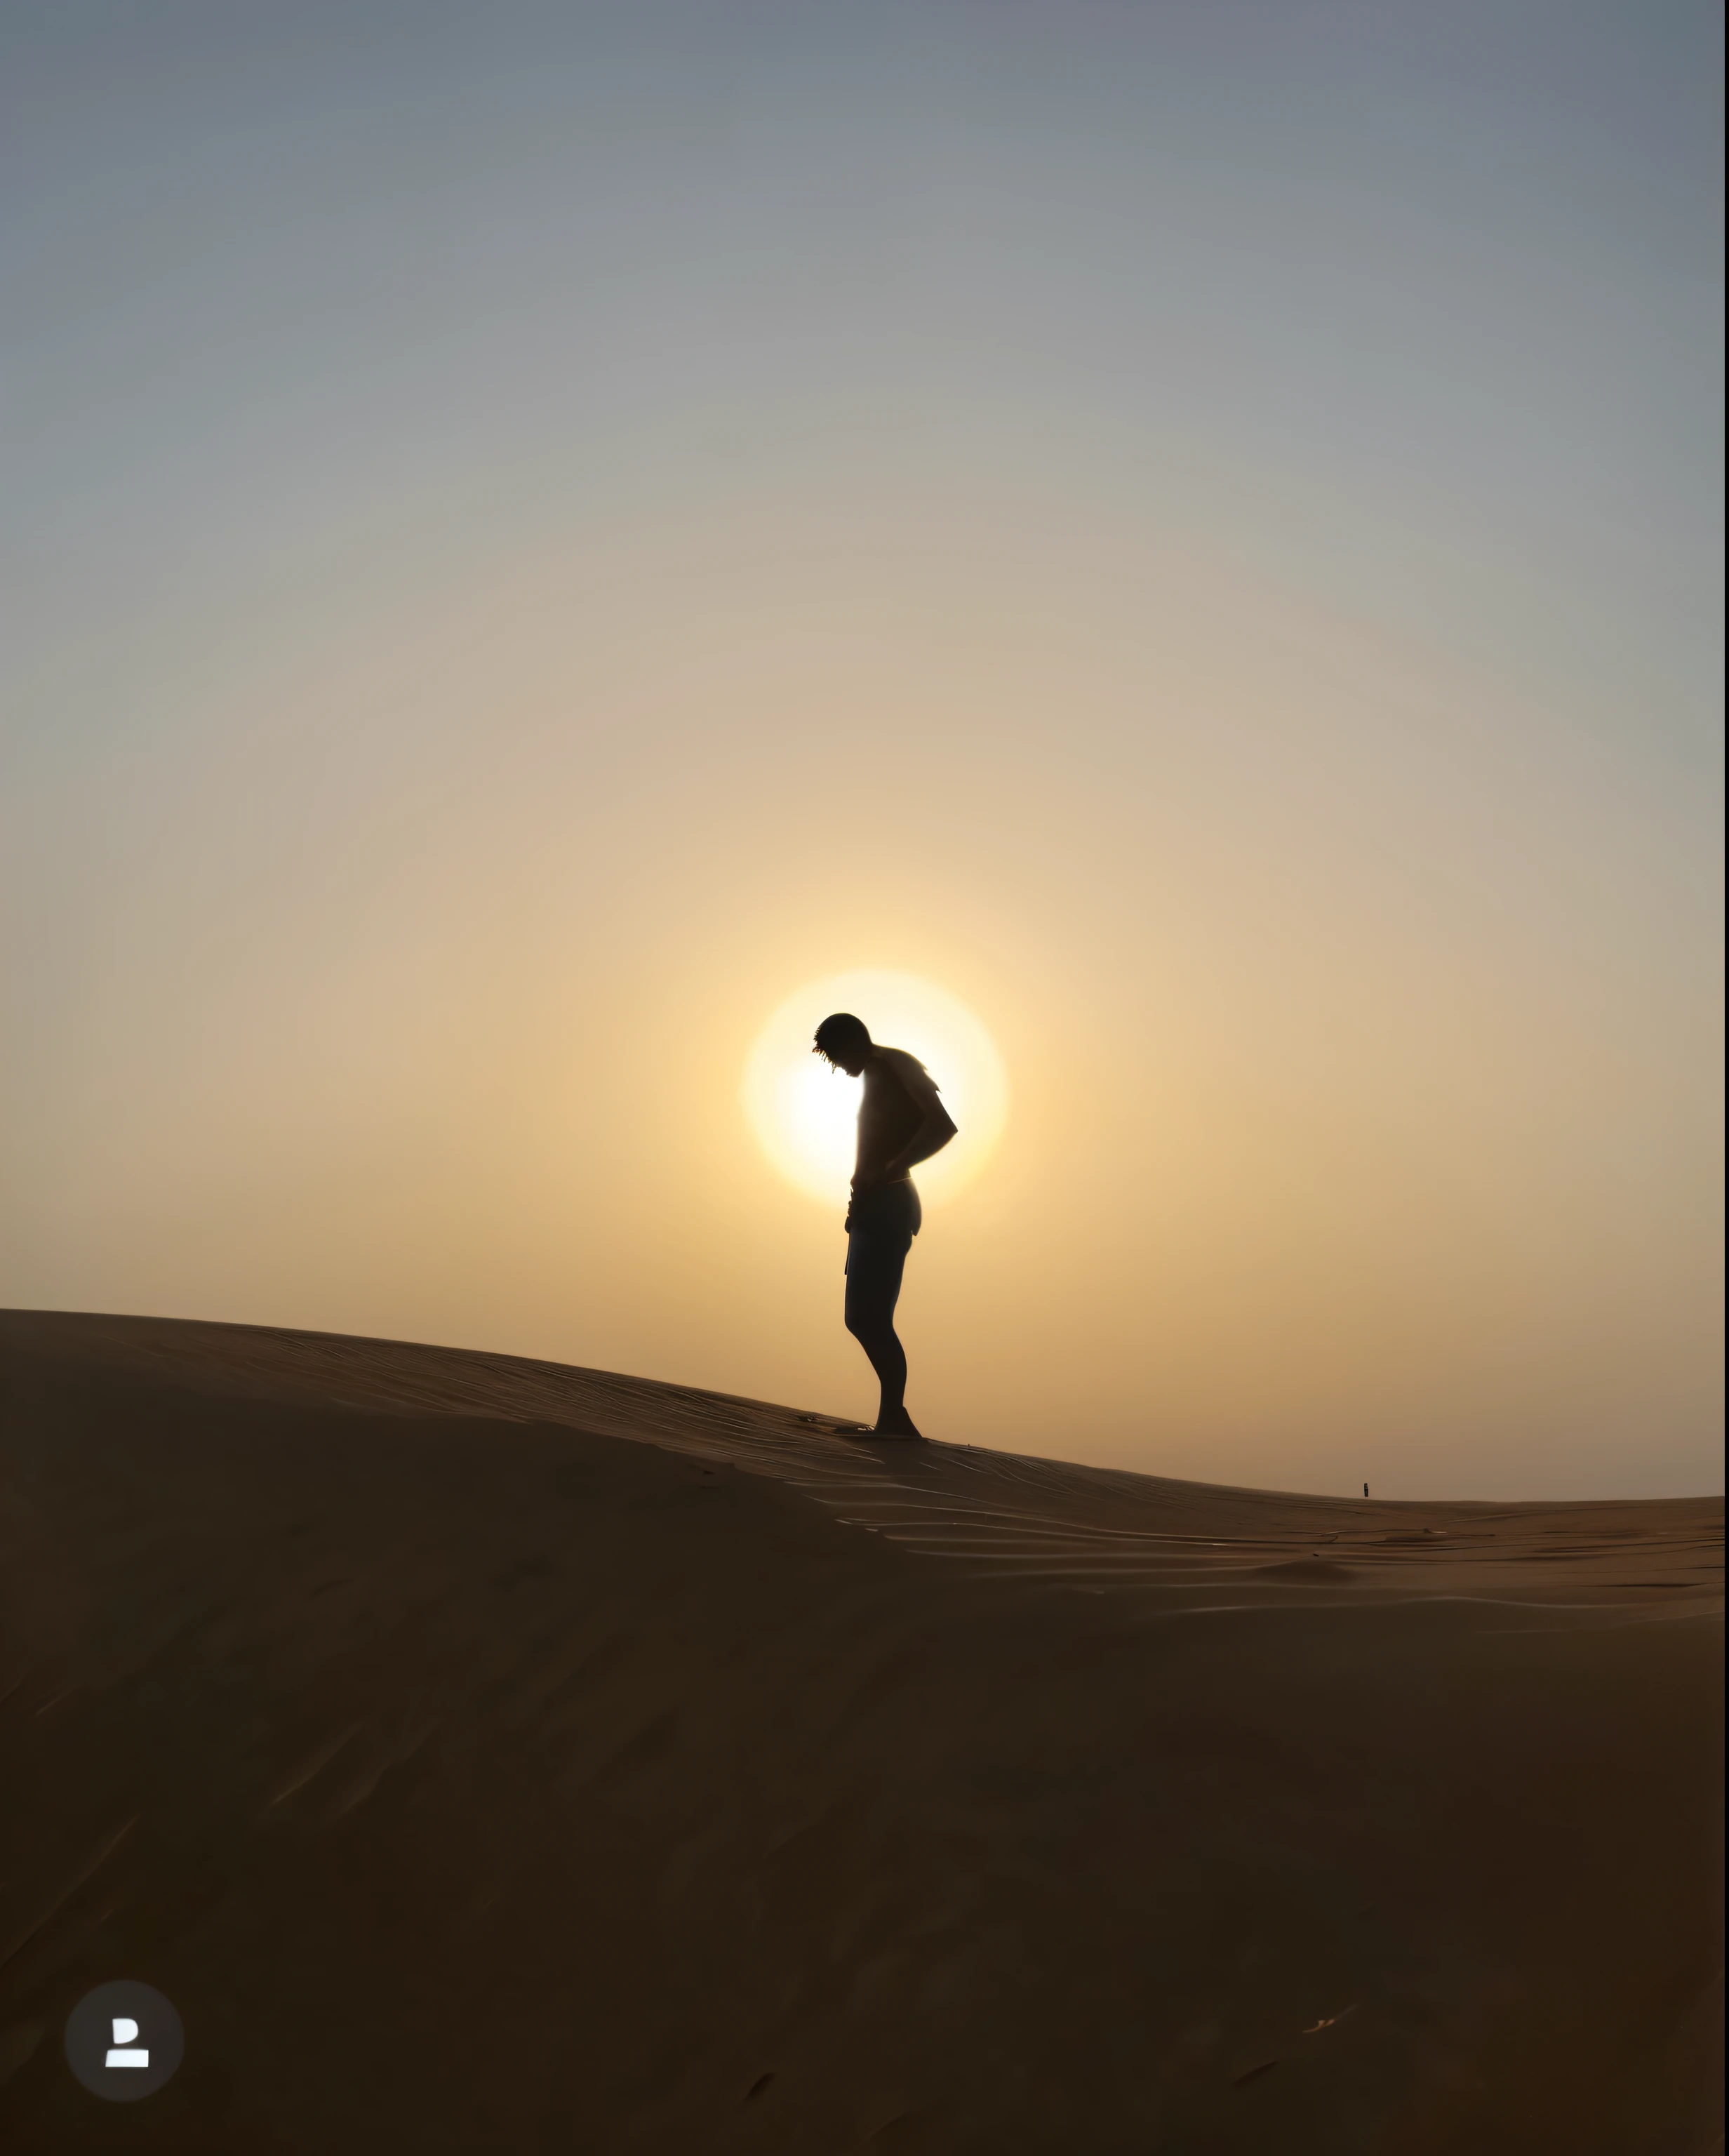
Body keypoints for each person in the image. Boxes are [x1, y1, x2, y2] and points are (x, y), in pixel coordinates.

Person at [813, 1013, 956, 1439]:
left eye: (836, 1057)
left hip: (892, 1203)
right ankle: (892, 1417)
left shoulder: (894, 1065)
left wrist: (894, 1167)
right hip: (874, 1206)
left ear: (852, 1042)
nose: (837, 1067)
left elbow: (942, 1125)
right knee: (862, 1318)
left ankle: (893, 1417)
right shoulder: (876, 1073)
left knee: (870, 1317)